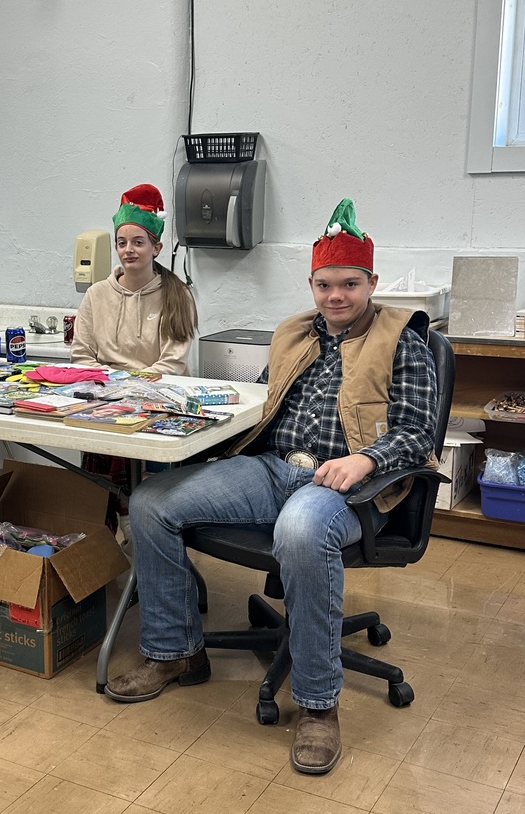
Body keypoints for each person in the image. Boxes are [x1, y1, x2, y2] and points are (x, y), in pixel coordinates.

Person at [104, 199, 438, 777]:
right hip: (273, 467)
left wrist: (366, 460)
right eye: (325, 285)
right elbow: (261, 401)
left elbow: (418, 432)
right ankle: (176, 653)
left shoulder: (403, 338)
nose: (337, 297)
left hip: (343, 483)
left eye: (350, 285)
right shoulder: (292, 333)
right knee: (151, 503)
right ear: (311, 284)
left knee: (302, 532)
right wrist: (199, 413)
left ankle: (317, 705)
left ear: (371, 283)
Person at [70, 183, 198, 549]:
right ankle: (108, 528)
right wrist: (108, 390)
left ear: (156, 247)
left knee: (141, 471)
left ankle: (141, 528)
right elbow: (82, 356)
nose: (129, 250)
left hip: (157, 400)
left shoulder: (179, 295)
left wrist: (128, 389)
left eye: (138, 242)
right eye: (122, 242)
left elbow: (171, 363)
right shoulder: (96, 295)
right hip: (102, 397)